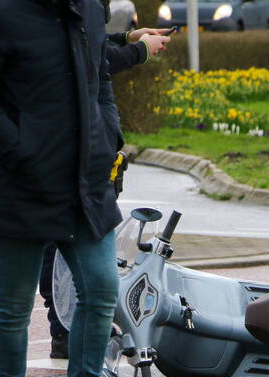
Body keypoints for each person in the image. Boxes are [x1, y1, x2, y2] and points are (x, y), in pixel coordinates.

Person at [0, 0, 162, 377]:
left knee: (102, 291)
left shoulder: (86, 7)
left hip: (85, 183)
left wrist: (109, 140)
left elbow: (97, 72)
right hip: (20, 185)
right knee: (14, 306)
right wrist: (19, 151)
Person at [42, 25, 172, 359]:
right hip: (78, 153)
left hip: (94, 153)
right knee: (65, 251)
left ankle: (75, 331)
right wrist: (140, 49)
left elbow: (89, 40)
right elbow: (90, 58)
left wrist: (125, 37)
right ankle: (67, 330)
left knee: (75, 251)